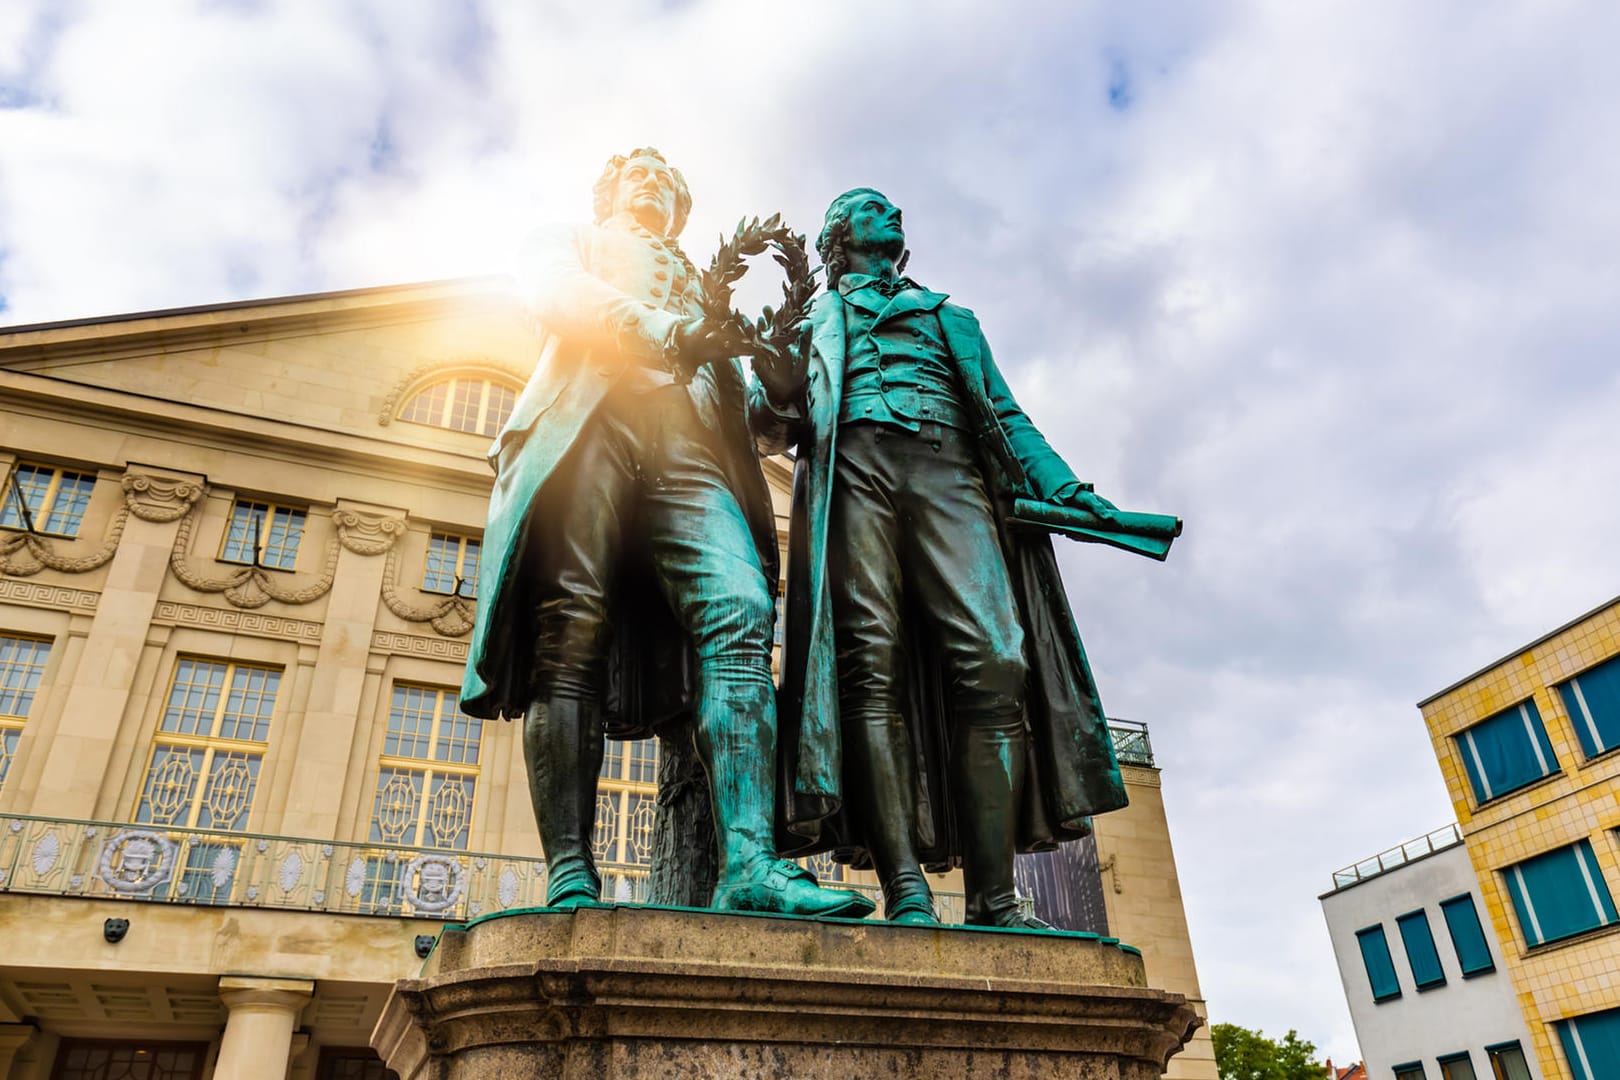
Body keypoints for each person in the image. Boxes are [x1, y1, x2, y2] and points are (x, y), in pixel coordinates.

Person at [460, 148, 872, 920]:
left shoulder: (701, 283)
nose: (651, 182)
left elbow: (757, 417)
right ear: (608, 190)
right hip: (591, 423)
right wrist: (671, 330)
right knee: (569, 629)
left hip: (695, 453)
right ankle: (571, 872)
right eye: (636, 172)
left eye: (667, 180)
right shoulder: (570, 240)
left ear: (683, 210)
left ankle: (749, 864)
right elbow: (560, 296)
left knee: (743, 613)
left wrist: (777, 376)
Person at [758, 188, 1129, 928]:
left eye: (893, 209)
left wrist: (1069, 489)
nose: (892, 214)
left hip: (950, 473)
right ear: (838, 236)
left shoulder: (951, 318)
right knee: (869, 665)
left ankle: (996, 897)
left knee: (998, 660)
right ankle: (907, 891)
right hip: (854, 476)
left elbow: (1006, 415)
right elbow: (772, 425)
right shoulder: (813, 318)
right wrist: (771, 368)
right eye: (871, 208)